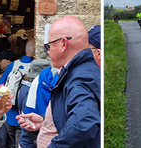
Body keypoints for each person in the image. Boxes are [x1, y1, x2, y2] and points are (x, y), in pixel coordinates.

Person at [16, 16, 99, 148]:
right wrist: (45, 123)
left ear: (64, 44)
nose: (47, 52)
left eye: (48, 46)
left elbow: (84, 123)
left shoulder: (79, 78)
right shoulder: (76, 72)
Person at [0, 39, 34, 148]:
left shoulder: (12, 66)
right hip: (26, 116)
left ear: (25, 50)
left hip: (9, 113)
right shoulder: (37, 68)